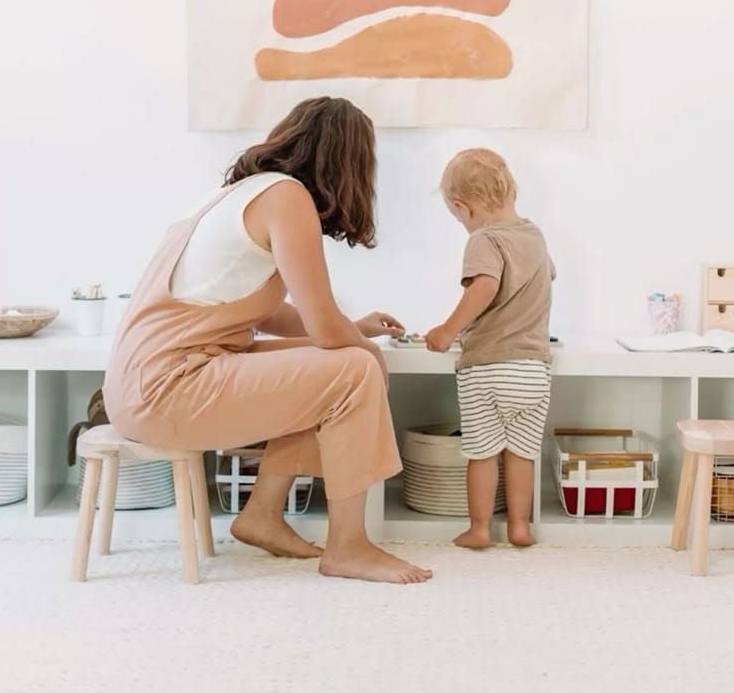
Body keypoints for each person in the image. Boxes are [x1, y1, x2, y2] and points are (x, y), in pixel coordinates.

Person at [103, 97, 432, 584]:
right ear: (344, 161)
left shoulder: (235, 195)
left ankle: (262, 514)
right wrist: (364, 352)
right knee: (354, 370)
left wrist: (354, 329)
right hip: (166, 388)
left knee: (331, 366)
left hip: (146, 382)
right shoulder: (286, 197)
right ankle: (348, 548)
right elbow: (326, 331)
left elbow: (268, 313)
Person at [424, 148, 554, 550]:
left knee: (482, 453)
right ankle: (519, 527)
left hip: (488, 369)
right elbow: (547, 275)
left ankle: (480, 529)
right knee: (522, 453)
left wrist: (447, 331)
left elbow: (484, 286)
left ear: (462, 207)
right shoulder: (534, 235)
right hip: (533, 370)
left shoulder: (484, 239)